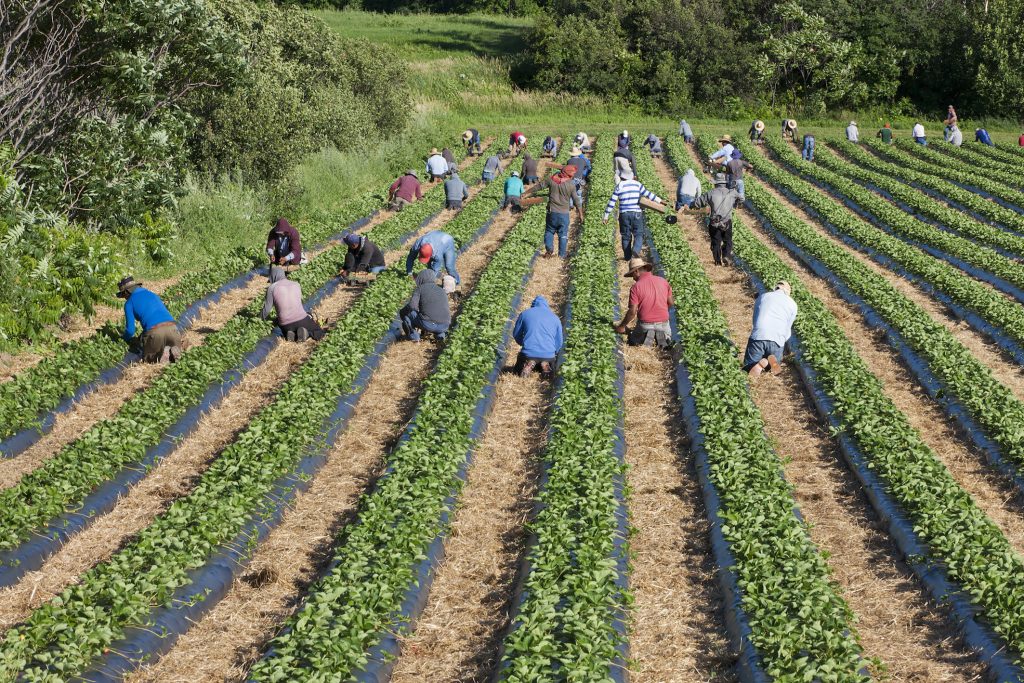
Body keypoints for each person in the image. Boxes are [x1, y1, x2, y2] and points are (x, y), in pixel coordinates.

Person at [523, 164, 584, 258]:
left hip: (552, 212)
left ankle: (549, 248)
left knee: (549, 231)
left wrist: (526, 192)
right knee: (563, 234)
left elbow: (539, 186)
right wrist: (580, 214)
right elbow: (576, 200)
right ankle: (561, 255)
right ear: (568, 174)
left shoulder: (551, 180)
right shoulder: (571, 185)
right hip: (564, 213)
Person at [118, 276, 181, 363]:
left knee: (149, 360)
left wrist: (123, 339)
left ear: (126, 292)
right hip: (173, 329)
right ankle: (172, 349)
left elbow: (130, 331)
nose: (124, 298)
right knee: (174, 360)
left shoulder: (129, 303)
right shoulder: (152, 294)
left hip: (155, 332)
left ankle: (160, 355)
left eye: (123, 295)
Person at [603, 169, 663, 261]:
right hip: (636, 213)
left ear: (622, 177)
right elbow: (649, 194)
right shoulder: (637, 184)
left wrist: (606, 215)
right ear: (631, 176)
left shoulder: (620, 186)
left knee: (626, 236)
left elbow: (612, 202)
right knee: (638, 234)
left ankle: (627, 257)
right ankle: (635, 251)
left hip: (624, 214)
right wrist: (660, 201)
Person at [614, 258, 674, 348]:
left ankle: (643, 338)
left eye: (632, 275)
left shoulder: (636, 287)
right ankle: (662, 338)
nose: (633, 279)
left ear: (636, 271)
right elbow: (670, 302)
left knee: (632, 340)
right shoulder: (663, 281)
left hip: (646, 325)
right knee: (665, 338)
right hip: (663, 324)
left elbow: (632, 311)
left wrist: (622, 326)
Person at [743, 280, 797, 378]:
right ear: (788, 292)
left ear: (775, 288)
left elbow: (755, 319)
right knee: (774, 368)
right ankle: (769, 364)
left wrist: (757, 332)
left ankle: (755, 365)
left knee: (748, 368)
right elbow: (788, 328)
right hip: (777, 340)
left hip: (759, 335)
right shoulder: (792, 304)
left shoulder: (763, 296)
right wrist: (782, 342)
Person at [687, 173, 742, 266]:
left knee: (716, 242)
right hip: (727, 221)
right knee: (727, 241)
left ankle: (717, 261)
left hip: (714, 222)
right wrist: (736, 202)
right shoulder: (731, 192)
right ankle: (726, 256)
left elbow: (697, 203)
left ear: (716, 183)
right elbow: (742, 198)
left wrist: (690, 205)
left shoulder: (711, 193)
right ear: (724, 183)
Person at [261, 266, 325, 342]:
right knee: (318, 331)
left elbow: (266, 310)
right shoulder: (296, 284)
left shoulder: (272, 288)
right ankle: (307, 334)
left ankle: (292, 334)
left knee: (286, 327)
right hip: (302, 319)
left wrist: (259, 319)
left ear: (273, 276)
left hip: (286, 325)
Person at [512, 295, 563, 377]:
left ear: (533, 305)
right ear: (546, 305)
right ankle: (545, 364)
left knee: (517, 370)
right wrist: (553, 352)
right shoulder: (555, 318)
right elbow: (559, 341)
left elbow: (516, 334)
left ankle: (529, 363)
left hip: (528, 353)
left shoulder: (525, 314)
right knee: (545, 361)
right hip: (548, 355)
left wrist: (524, 343)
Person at [400, 270, 451, 342]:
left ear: (421, 278)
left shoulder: (420, 289)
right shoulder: (441, 290)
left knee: (408, 314)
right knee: (436, 317)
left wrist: (402, 312)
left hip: (428, 324)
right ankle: (441, 336)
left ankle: (414, 337)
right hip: (445, 325)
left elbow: (412, 306)